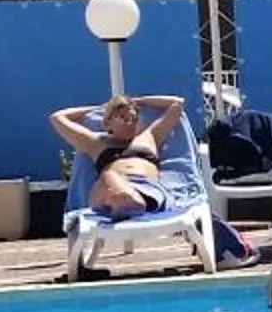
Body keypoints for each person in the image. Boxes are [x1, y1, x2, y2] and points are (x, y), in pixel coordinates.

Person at [50, 91, 187, 218]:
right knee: (108, 176)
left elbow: (177, 103)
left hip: (147, 188)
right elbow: (57, 118)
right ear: (107, 123)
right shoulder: (97, 143)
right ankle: (127, 203)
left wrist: (139, 101)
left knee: (112, 181)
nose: (130, 122)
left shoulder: (149, 137)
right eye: (123, 117)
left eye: (134, 119)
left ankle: (127, 204)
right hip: (107, 192)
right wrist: (97, 109)